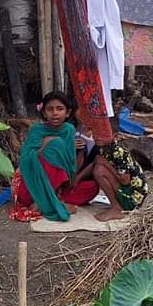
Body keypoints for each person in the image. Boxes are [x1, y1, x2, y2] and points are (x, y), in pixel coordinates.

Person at [15, 91, 99, 221]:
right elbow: (26, 162)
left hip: (60, 185)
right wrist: (48, 143)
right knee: (56, 144)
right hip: (32, 185)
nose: (55, 113)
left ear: (68, 112)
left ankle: (51, 200)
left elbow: (69, 165)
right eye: (50, 109)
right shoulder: (37, 130)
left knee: (92, 187)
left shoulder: (69, 130)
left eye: (60, 109)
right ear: (44, 113)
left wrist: (77, 153)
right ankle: (48, 202)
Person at [91, 139, 148, 222]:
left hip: (132, 199)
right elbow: (94, 164)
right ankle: (116, 206)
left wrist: (105, 163)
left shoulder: (119, 151)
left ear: (115, 136)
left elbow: (125, 181)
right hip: (125, 192)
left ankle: (116, 208)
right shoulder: (103, 148)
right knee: (98, 168)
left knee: (99, 171)